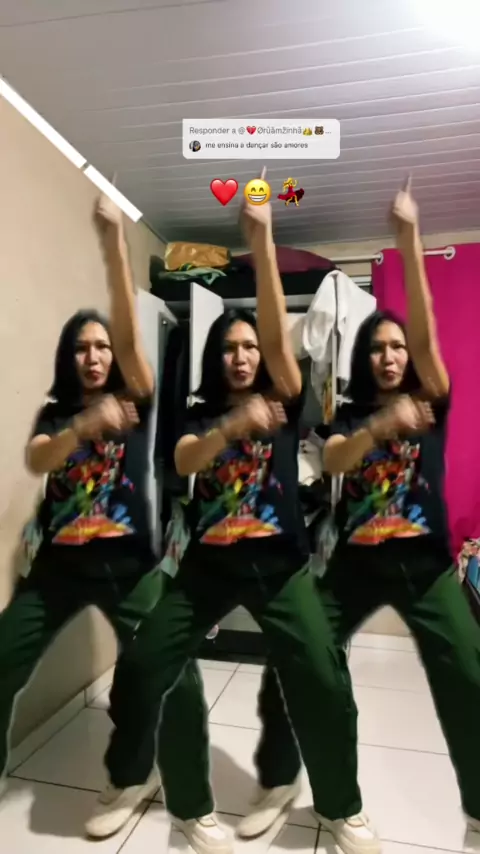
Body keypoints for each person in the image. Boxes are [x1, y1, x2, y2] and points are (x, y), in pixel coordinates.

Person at [103, 169, 381, 854]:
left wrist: (261, 242)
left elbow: (282, 344)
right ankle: (180, 802)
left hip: (281, 566)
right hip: (207, 566)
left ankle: (340, 809)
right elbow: (182, 462)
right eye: (230, 347)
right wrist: (231, 427)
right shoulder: (200, 410)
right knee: (144, 667)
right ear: (215, 358)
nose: (241, 355)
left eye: (250, 346)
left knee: (322, 675)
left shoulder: (283, 394)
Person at [236, 178, 480, 843]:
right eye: (378, 348)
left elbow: (425, 326)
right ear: (366, 361)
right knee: (299, 656)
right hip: (354, 563)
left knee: (469, 671)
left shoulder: (431, 396)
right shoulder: (349, 413)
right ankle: (308, 792)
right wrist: (380, 427)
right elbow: (339, 458)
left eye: (398, 347)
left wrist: (409, 237)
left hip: (426, 568)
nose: (391, 354)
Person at [0, 192, 213, 845]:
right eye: (82, 348)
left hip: (129, 566)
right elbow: (40, 458)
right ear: (68, 358)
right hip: (57, 568)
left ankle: (152, 784)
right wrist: (83, 425)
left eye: (101, 347)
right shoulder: (55, 412)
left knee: (173, 673)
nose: (94, 356)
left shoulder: (136, 400)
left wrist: (114, 242)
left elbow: (127, 326)